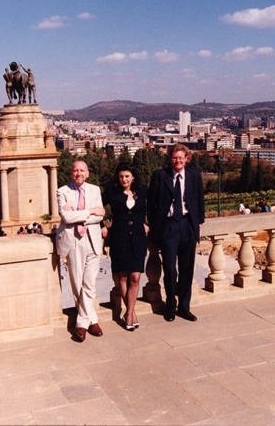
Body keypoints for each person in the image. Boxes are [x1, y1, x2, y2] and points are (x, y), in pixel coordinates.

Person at [147, 144, 205, 322]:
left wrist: (198, 222)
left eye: (181, 158)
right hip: (168, 226)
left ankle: (184, 308)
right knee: (170, 270)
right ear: (170, 158)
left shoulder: (194, 176)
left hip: (187, 225)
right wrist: (154, 225)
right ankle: (170, 307)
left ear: (187, 158)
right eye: (174, 158)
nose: (178, 161)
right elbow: (152, 202)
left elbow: (199, 200)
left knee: (187, 269)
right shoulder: (160, 175)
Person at [56, 160, 106, 342]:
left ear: (87, 173)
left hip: (92, 240)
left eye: (82, 170)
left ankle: (81, 325)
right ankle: (92, 320)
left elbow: (100, 216)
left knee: (89, 284)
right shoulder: (63, 191)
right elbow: (67, 218)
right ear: (71, 173)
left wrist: (79, 213)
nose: (79, 173)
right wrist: (90, 211)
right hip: (74, 241)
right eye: (76, 170)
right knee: (77, 284)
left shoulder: (95, 190)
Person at [102, 162, 148, 331]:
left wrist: (147, 223)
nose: (124, 179)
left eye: (127, 176)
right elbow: (97, 205)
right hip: (119, 237)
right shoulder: (111, 192)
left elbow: (153, 207)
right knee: (122, 276)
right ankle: (130, 313)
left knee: (135, 276)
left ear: (133, 177)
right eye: (121, 176)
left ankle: (128, 312)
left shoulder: (142, 190)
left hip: (137, 237)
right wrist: (101, 225)